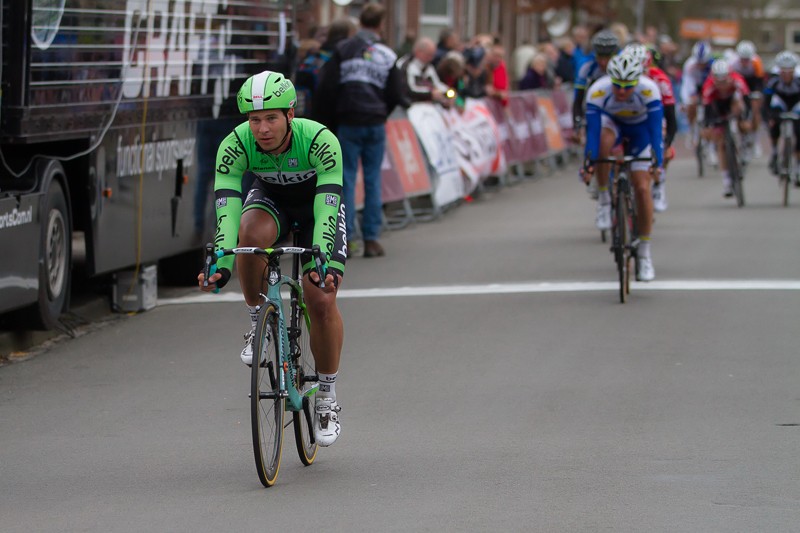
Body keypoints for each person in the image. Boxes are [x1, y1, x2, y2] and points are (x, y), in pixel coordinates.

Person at [197, 71, 346, 447]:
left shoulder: (321, 140)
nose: (262, 128)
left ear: (290, 114)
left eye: (271, 118)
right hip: (272, 200)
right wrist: (220, 265)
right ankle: (256, 317)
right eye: (254, 119)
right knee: (248, 238)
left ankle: (326, 396)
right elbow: (227, 212)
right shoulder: (234, 145)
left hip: (317, 209)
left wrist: (323, 260)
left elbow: (328, 207)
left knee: (321, 297)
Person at [314, 3, 406, 258]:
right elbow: (397, 93)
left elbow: (327, 88)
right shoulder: (387, 54)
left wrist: (330, 119)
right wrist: (380, 112)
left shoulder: (343, 50)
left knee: (346, 180)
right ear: (380, 25)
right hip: (375, 122)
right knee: (373, 179)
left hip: (349, 122)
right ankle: (372, 239)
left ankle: (347, 240)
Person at [581, 52, 664, 281]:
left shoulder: (649, 89)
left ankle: (645, 254)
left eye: (628, 86)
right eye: (617, 85)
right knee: (603, 144)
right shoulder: (598, 91)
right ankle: (605, 199)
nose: (622, 91)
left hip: (640, 131)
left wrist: (658, 160)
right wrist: (588, 162)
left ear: (637, 81)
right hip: (612, 126)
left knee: (642, 188)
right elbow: (593, 133)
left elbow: (656, 132)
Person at [624, 43, 676, 212]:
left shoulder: (660, 80)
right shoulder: (617, 76)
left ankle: (659, 183)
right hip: (625, 116)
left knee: (662, 146)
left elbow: (670, 114)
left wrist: (667, 142)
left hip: (653, 116)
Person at [700, 59, 752, 197]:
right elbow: (707, 109)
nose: (722, 85)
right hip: (717, 106)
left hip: (732, 102)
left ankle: (743, 144)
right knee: (721, 143)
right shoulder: (709, 86)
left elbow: (746, 100)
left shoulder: (737, 80)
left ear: (730, 76)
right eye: (719, 82)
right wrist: (708, 125)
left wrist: (745, 119)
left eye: (725, 81)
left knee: (740, 111)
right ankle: (727, 180)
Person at [295, 17, 357, 119]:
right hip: (341, 119)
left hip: (312, 120)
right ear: (350, 35)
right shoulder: (348, 59)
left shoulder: (311, 60)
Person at [763, 51, 800, 182]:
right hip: (780, 103)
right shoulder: (773, 81)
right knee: (774, 123)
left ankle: (798, 166)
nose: (786, 75)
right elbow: (766, 102)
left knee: (799, 130)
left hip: (796, 103)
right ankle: (774, 151)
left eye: (789, 71)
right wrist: (769, 119)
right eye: (783, 71)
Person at [729, 40, 766, 159]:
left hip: (752, 83)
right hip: (738, 83)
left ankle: (755, 140)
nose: (745, 62)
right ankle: (740, 132)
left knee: (755, 106)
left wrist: (758, 93)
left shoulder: (756, 61)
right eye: (742, 59)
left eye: (747, 59)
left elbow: (760, 81)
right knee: (738, 107)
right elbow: (730, 81)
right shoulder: (733, 63)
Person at [397, 37, 454, 106]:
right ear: (418, 52)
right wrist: (430, 94)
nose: (431, 58)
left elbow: (437, 83)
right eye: (428, 55)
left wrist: (448, 92)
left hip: (426, 107)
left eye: (432, 55)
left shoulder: (429, 67)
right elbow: (407, 90)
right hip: (408, 107)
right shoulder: (405, 65)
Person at [680, 41, 716, 147]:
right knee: (691, 104)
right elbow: (686, 84)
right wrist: (687, 101)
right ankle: (691, 130)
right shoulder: (689, 65)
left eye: (703, 62)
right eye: (698, 62)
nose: (701, 65)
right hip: (695, 86)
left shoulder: (713, 64)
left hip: (709, 85)